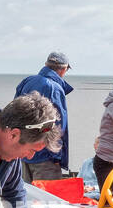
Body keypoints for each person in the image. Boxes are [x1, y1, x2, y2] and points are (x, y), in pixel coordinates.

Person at [14, 52, 72, 180]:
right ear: (63, 69)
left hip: (23, 152)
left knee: (26, 197)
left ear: (46, 65)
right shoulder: (55, 88)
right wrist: (56, 155)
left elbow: (14, 114)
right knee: (47, 198)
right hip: (44, 155)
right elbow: (56, 125)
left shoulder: (27, 81)